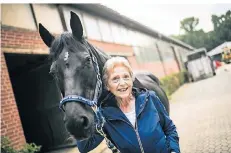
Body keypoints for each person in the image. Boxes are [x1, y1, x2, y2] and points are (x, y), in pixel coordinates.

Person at [77, 57, 180, 153]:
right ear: (107, 86)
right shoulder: (104, 115)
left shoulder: (150, 99)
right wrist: (81, 109)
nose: (122, 83)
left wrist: (174, 150)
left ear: (132, 79)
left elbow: (169, 128)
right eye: (115, 79)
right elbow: (84, 147)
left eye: (126, 77)